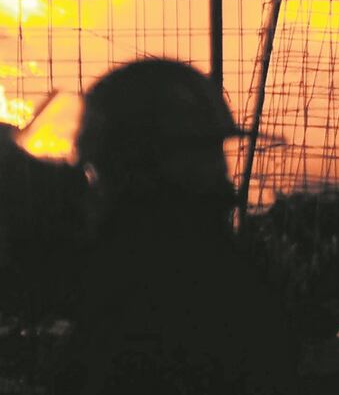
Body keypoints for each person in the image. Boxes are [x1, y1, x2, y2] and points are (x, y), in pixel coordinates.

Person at [0, 58, 298, 394]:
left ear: (128, 167)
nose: (87, 183)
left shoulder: (135, 294)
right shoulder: (224, 273)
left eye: (95, 168)